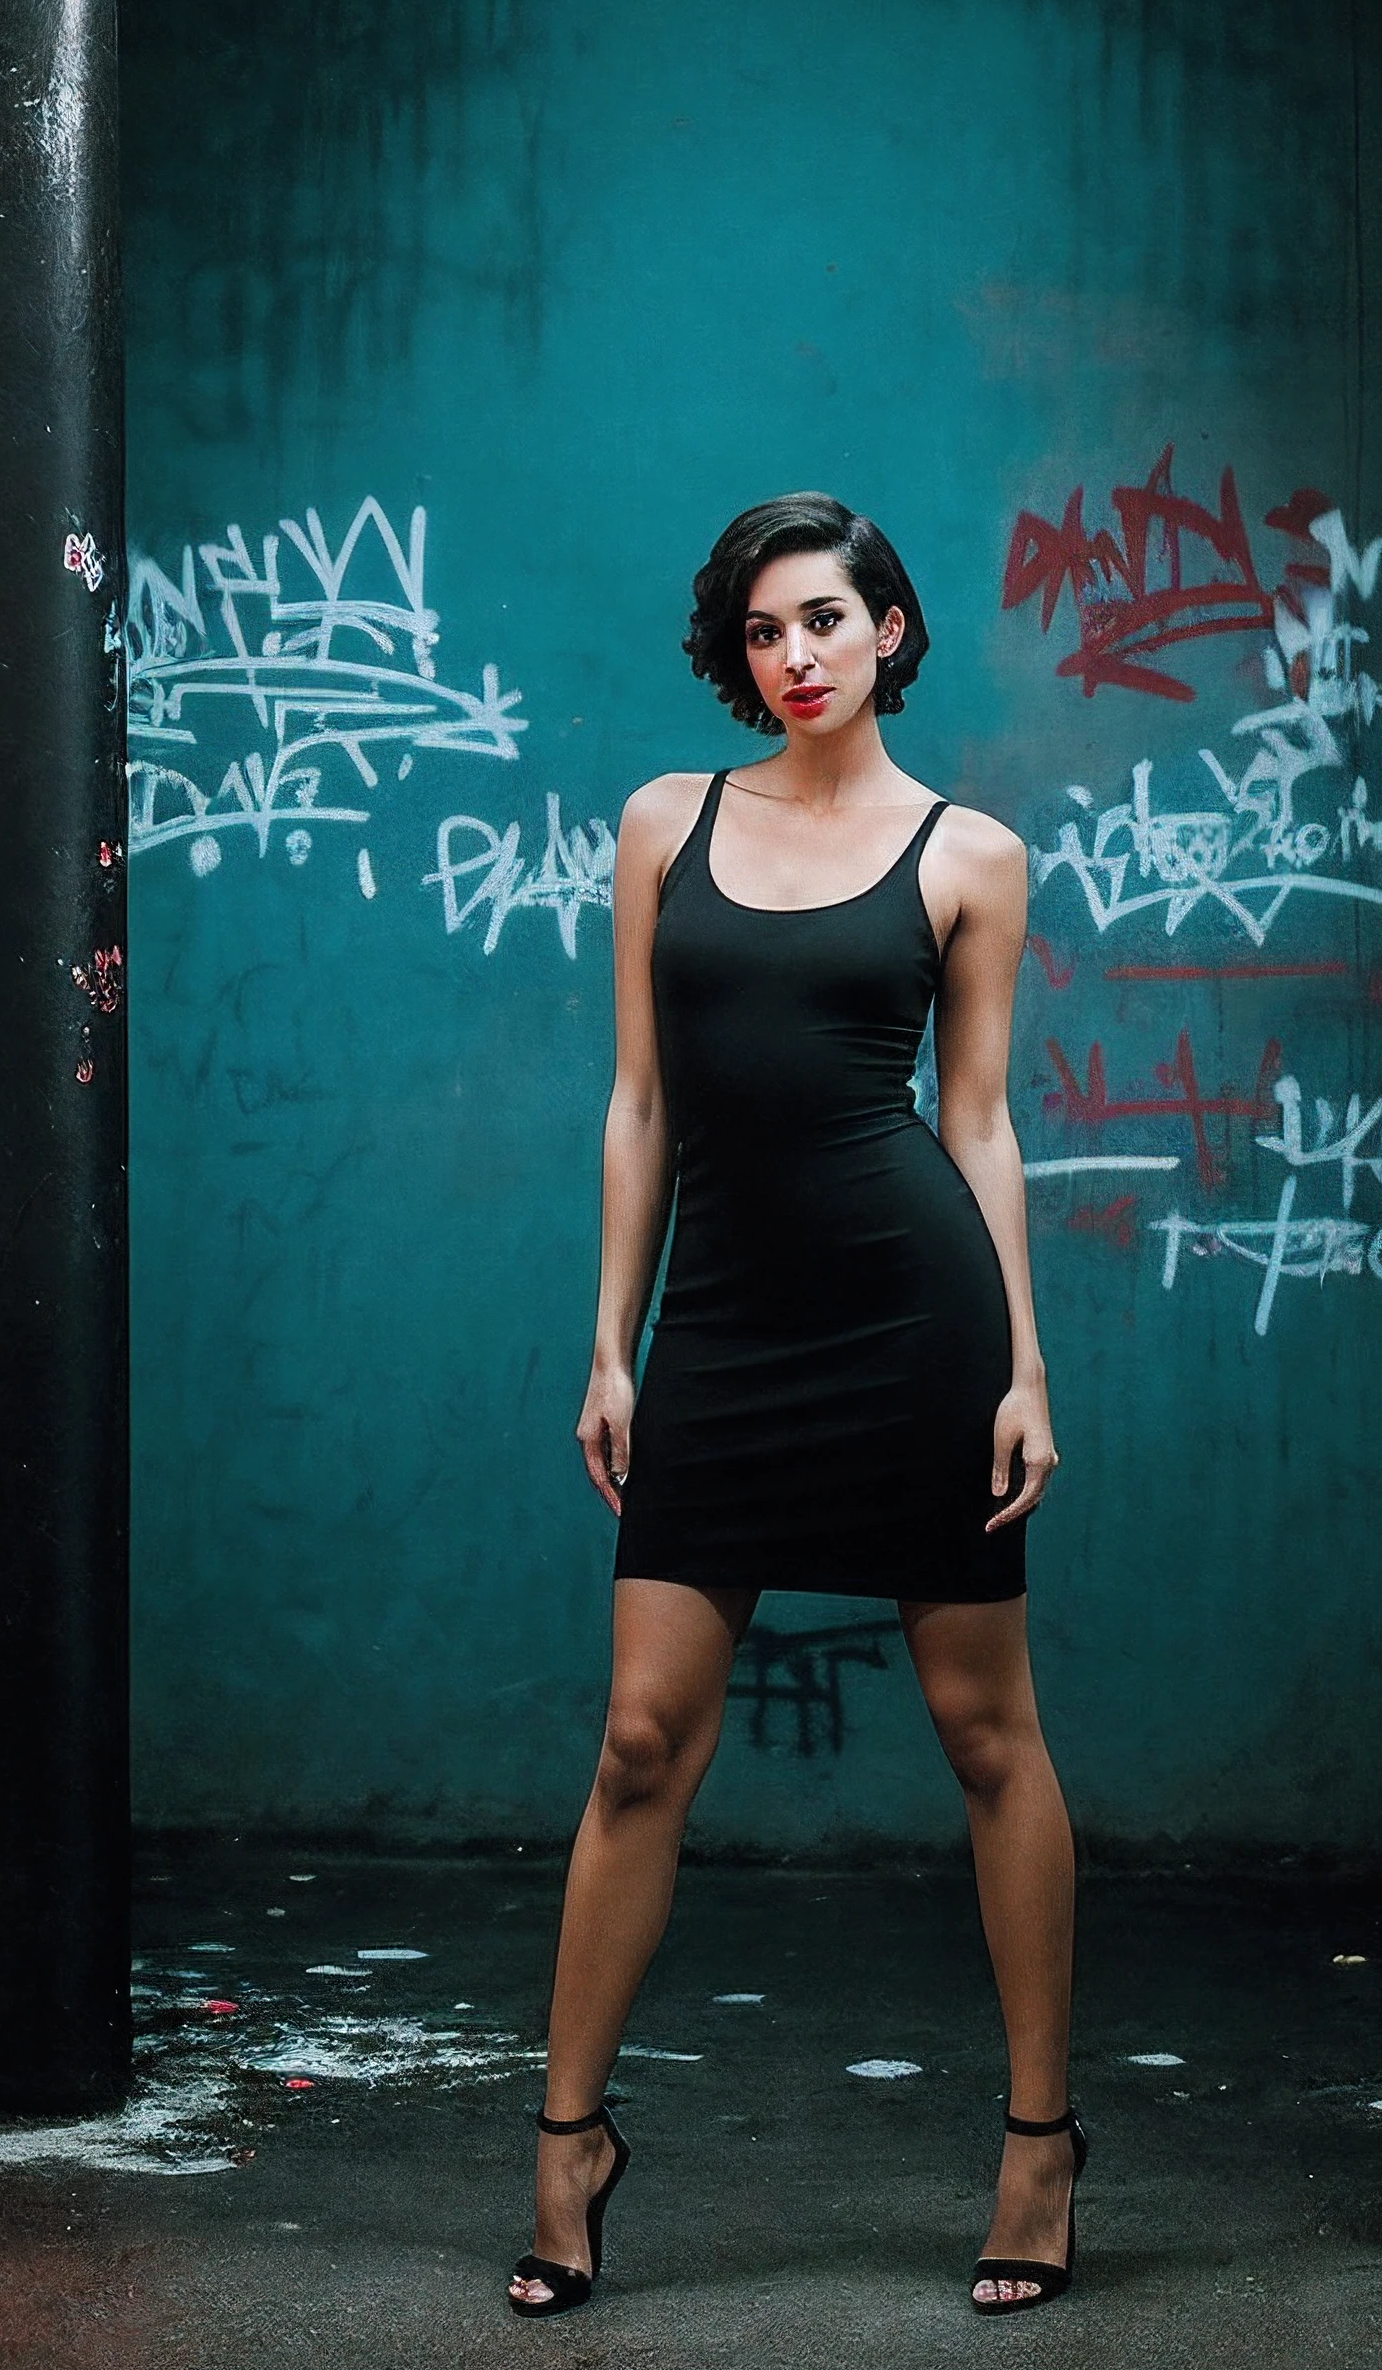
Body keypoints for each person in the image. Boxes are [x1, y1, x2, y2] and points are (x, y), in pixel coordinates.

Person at [508, 493, 1082, 2320]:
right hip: (728, 1326)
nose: (798, 655)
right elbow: (639, 1108)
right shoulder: (663, 826)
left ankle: (1037, 2145)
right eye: (765, 631)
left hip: (911, 1319)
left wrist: (1021, 1365)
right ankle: (568, 2144)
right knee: (638, 1746)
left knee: (987, 1740)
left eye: (827, 619)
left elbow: (978, 1122)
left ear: (892, 633)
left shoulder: (967, 852)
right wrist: (613, 1345)